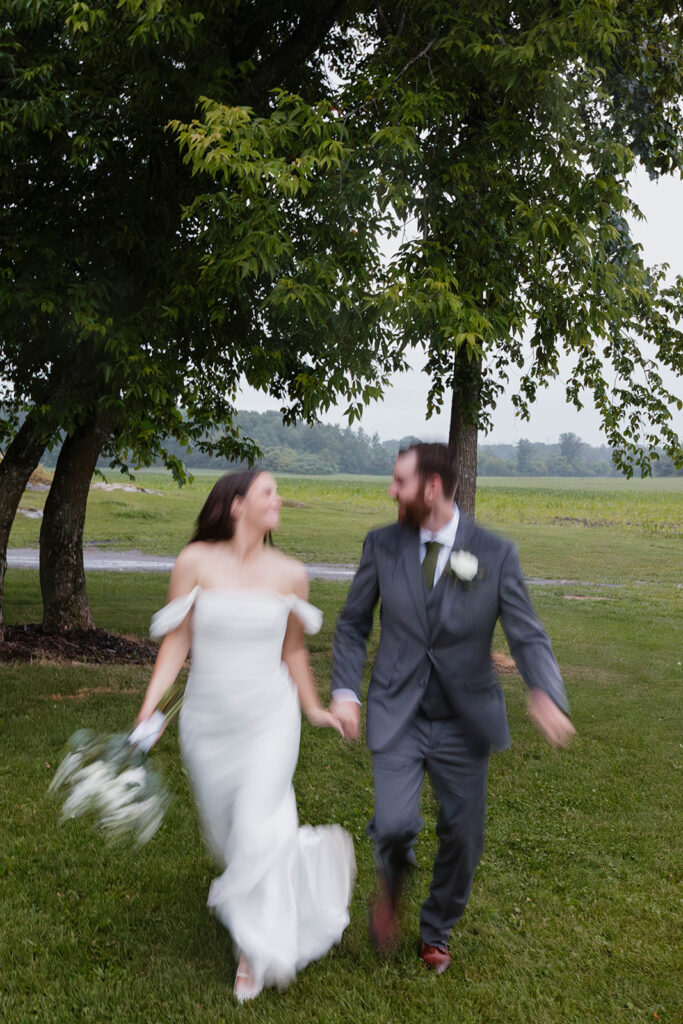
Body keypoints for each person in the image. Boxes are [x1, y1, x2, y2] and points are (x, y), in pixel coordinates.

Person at [330, 442, 575, 974]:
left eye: (400, 482)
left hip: (464, 719)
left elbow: (528, 634)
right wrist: (345, 691)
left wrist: (544, 690)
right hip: (398, 710)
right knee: (393, 825)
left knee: (463, 835)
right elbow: (352, 625)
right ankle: (391, 886)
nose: (391, 491)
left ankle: (436, 928)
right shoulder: (382, 545)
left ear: (433, 487)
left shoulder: (495, 553)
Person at [136, 469, 356, 1002]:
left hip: (270, 719)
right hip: (208, 723)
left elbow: (293, 649)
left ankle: (255, 949)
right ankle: (276, 890)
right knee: (229, 833)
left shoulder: (291, 574)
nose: (279, 499)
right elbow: (177, 641)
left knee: (259, 827)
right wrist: (148, 708)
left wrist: (313, 707)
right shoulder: (195, 562)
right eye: (268, 491)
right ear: (236, 505)